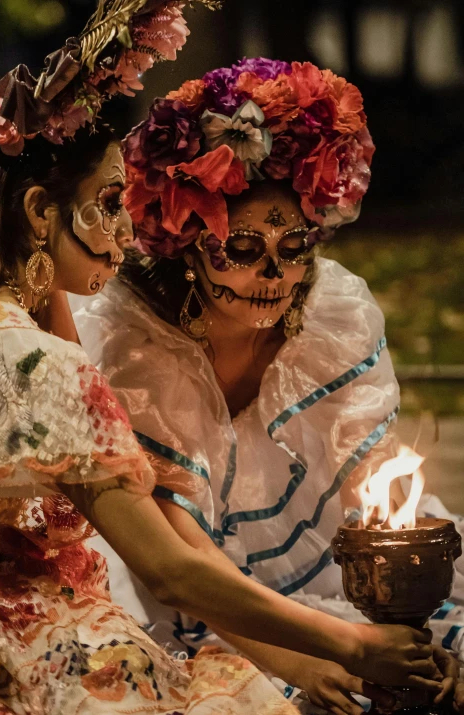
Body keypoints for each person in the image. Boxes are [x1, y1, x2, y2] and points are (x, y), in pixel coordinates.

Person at [68, 58, 464, 713]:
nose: (276, 273)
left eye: (296, 244)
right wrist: (298, 659)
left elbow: (374, 496)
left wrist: (412, 620)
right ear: (190, 246)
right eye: (244, 247)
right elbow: (181, 558)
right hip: (197, 596)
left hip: (321, 567)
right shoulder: (134, 350)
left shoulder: (332, 317)